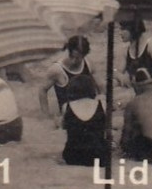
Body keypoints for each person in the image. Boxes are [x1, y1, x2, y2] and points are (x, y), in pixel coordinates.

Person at [38, 35, 106, 167]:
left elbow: (101, 87)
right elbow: (42, 90)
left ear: (84, 55)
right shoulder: (56, 69)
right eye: (72, 56)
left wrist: (101, 101)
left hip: (89, 111)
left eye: (79, 57)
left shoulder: (89, 63)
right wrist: (45, 115)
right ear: (69, 51)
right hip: (69, 114)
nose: (75, 60)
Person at [117, 11, 152, 86]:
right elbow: (117, 71)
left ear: (133, 29)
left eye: (123, 29)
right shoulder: (126, 50)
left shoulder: (151, 45)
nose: (120, 33)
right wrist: (121, 77)